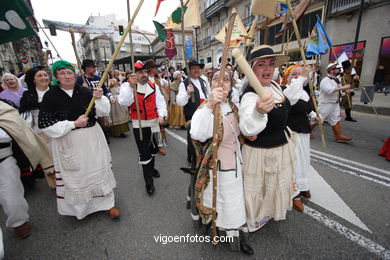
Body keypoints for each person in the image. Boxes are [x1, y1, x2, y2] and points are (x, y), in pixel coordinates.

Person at [38, 60, 120, 220]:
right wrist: (73, 124)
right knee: (76, 175)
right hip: (68, 140)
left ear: (75, 75)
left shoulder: (85, 91)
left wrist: (99, 98)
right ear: (56, 76)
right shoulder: (51, 96)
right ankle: (80, 210)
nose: (67, 76)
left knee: (97, 170)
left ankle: (107, 204)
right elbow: (45, 125)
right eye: (62, 73)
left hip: (91, 138)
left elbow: (104, 111)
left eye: (69, 72)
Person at [190, 69, 253, 255]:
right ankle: (214, 230)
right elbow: (197, 134)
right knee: (218, 201)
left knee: (234, 203)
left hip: (235, 165)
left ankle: (236, 238)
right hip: (214, 168)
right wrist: (210, 104)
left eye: (226, 79)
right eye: (216, 78)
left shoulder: (234, 107)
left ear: (232, 85)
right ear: (210, 84)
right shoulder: (205, 109)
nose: (221, 82)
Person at [239, 45, 301, 232]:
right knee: (260, 188)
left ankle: (268, 212)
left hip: (280, 146)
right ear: (252, 69)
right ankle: (255, 218)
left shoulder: (274, 86)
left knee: (273, 186)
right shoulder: (251, 95)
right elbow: (247, 128)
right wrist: (258, 112)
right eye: (261, 64)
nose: (267, 69)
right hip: (261, 153)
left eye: (271, 64)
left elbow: (287, 103)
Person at [0, 100, 55, 238]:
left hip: (3, 160)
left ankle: (19, 222)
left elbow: (17, 131)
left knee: (12, 195)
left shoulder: (4, 110)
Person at [118, 61, 167, 195]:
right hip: (139, 125)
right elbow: (124, 102)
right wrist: (130, 86)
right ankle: (148, 181)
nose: (143, 75)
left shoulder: (153, 86)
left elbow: (161, 102)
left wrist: (162, 115)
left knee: (155, 149)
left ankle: (152, 169)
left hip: (155, 124)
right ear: (133, 74)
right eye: (140, 72)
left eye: (145, 72)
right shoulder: (127, 86)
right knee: (144, 153)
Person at [283, 64, 324, 211]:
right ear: (287, 78)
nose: (297, 77)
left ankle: (303, 186)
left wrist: (316, 116)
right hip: (291, 132)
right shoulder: (286, 91)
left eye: (299, 74)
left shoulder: (306, 93)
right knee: (295, 162)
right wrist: (302, 77)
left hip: (304, 131)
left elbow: (308, 110)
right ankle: (294, 194)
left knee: (305, 160)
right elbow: (292, 98)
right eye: (293, 74)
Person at [18, 67, 52, 186]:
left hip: (61, 128)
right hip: (41, 131)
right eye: (40, 76)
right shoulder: (28, 95)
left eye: (45, 75)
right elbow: (25, 116)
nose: (44, 77)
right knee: (48, 158)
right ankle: (55, 183)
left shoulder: (56, 91)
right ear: (33, 80)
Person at [318, 63, 352, 142]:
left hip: (335, 103)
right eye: (337, 69)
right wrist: (343, 87)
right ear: (331, 70)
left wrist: (345, 92)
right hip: (326, 103)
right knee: (318, 118)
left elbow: (337, 93)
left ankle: (339, 136)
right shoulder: (325, 80)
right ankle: (306, 132)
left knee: (335, 119)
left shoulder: (337, 80)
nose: (339, 70)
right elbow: (329, 91)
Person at [144, 59, 168, 156]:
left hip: (159, 104)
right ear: (150, 69)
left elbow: (164, 86)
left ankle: (159, 145)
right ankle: (152, 145)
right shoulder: (145, 80)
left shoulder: (157, 79)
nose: (156, 69)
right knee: (152, 127)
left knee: (159, 127)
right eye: (154, 68)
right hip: (150, 106)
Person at [107, 71, 129, 137]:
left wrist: (118, 84)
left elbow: (120, 85)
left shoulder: (117, 79)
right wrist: (111, 85)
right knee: (114, 114)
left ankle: (123, 131)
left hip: (119, 97)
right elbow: (107, 89)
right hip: (113, 98)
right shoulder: (107, 81)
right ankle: (114, 131)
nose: (113, 73)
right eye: (112, 72)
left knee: (122, 113)